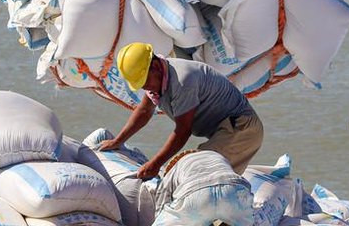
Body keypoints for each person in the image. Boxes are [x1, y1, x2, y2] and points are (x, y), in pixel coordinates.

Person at [100, 42, 263, 178]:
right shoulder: (158, 80)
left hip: (241, 129)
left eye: (144, 81)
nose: (145, 87)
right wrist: (118, 141)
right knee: (194, 175)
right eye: (140, 84)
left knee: (198, 173)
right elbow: (143, 111)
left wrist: (155, 164)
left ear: (155, 66)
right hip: (224, 131)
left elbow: (183, 131)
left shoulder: (183, 80)